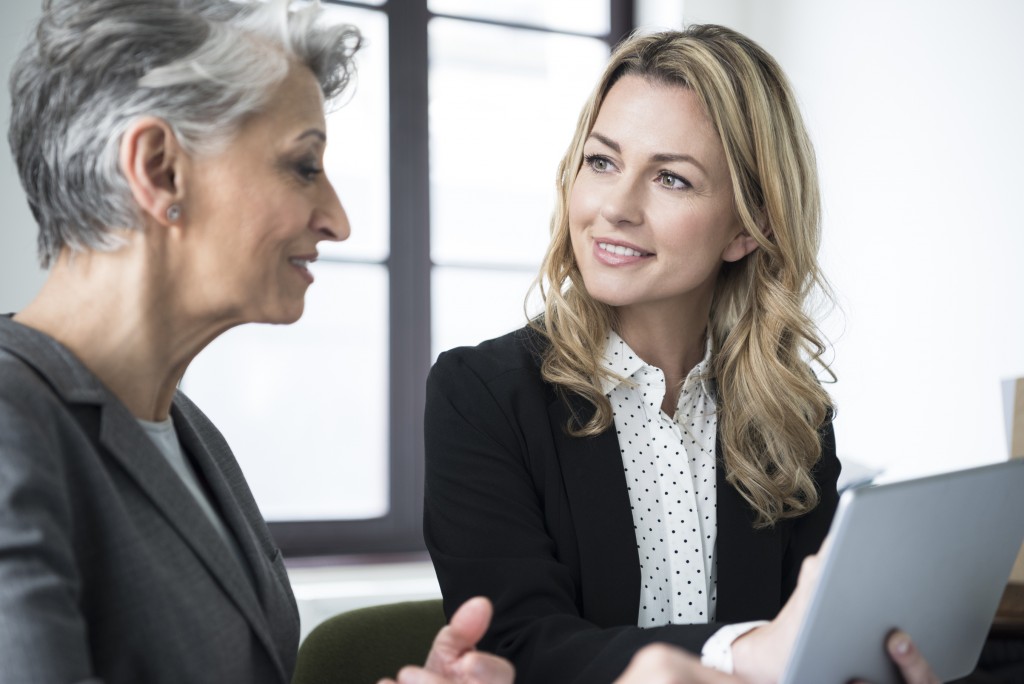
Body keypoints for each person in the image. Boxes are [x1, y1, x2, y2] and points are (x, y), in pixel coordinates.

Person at [0, 1, 509, 682]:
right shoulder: (12, 429)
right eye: (303, 165)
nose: (337, 220)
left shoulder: (189, 433)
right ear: (159, 170)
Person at [423, 24, 936, 684]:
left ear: (749, 229)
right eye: (602, 162)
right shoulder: (481, 395)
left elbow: (813, 644)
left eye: (670, 178)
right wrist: (742, 652)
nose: (615, 206)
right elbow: (518, 648)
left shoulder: (792, 419)